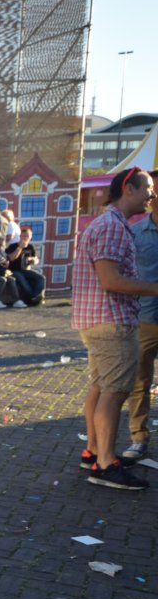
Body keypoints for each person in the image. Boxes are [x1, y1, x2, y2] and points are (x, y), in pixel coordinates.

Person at [73, 166, 158, 490]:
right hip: (111, 320)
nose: (152, 194)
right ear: (129, 189)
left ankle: (94, 452)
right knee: (114, 391)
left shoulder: (110, 223)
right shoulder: (112, 226)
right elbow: (110, 281)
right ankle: (105, 465)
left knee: (101, 387)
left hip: (99, 320)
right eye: (147, 188)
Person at [124, 177, 158, 462]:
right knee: (140, 380)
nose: (152, 195)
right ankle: (139, 437)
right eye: (152, 190)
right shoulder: (135, 233)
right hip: (146, 317)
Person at [5, 225, 45, 305]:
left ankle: (35, 296)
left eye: (27, 236)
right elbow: (11, 258)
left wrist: (33, 260)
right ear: (20, 236)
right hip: (13, 270)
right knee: (22, 279)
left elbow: (36, 259)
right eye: (23, 236)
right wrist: (20, 247)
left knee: (41, 278)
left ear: (30, 237)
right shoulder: (13, 246)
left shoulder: (30, 247)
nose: (25, 238)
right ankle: (31, 298)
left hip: (25, 270)